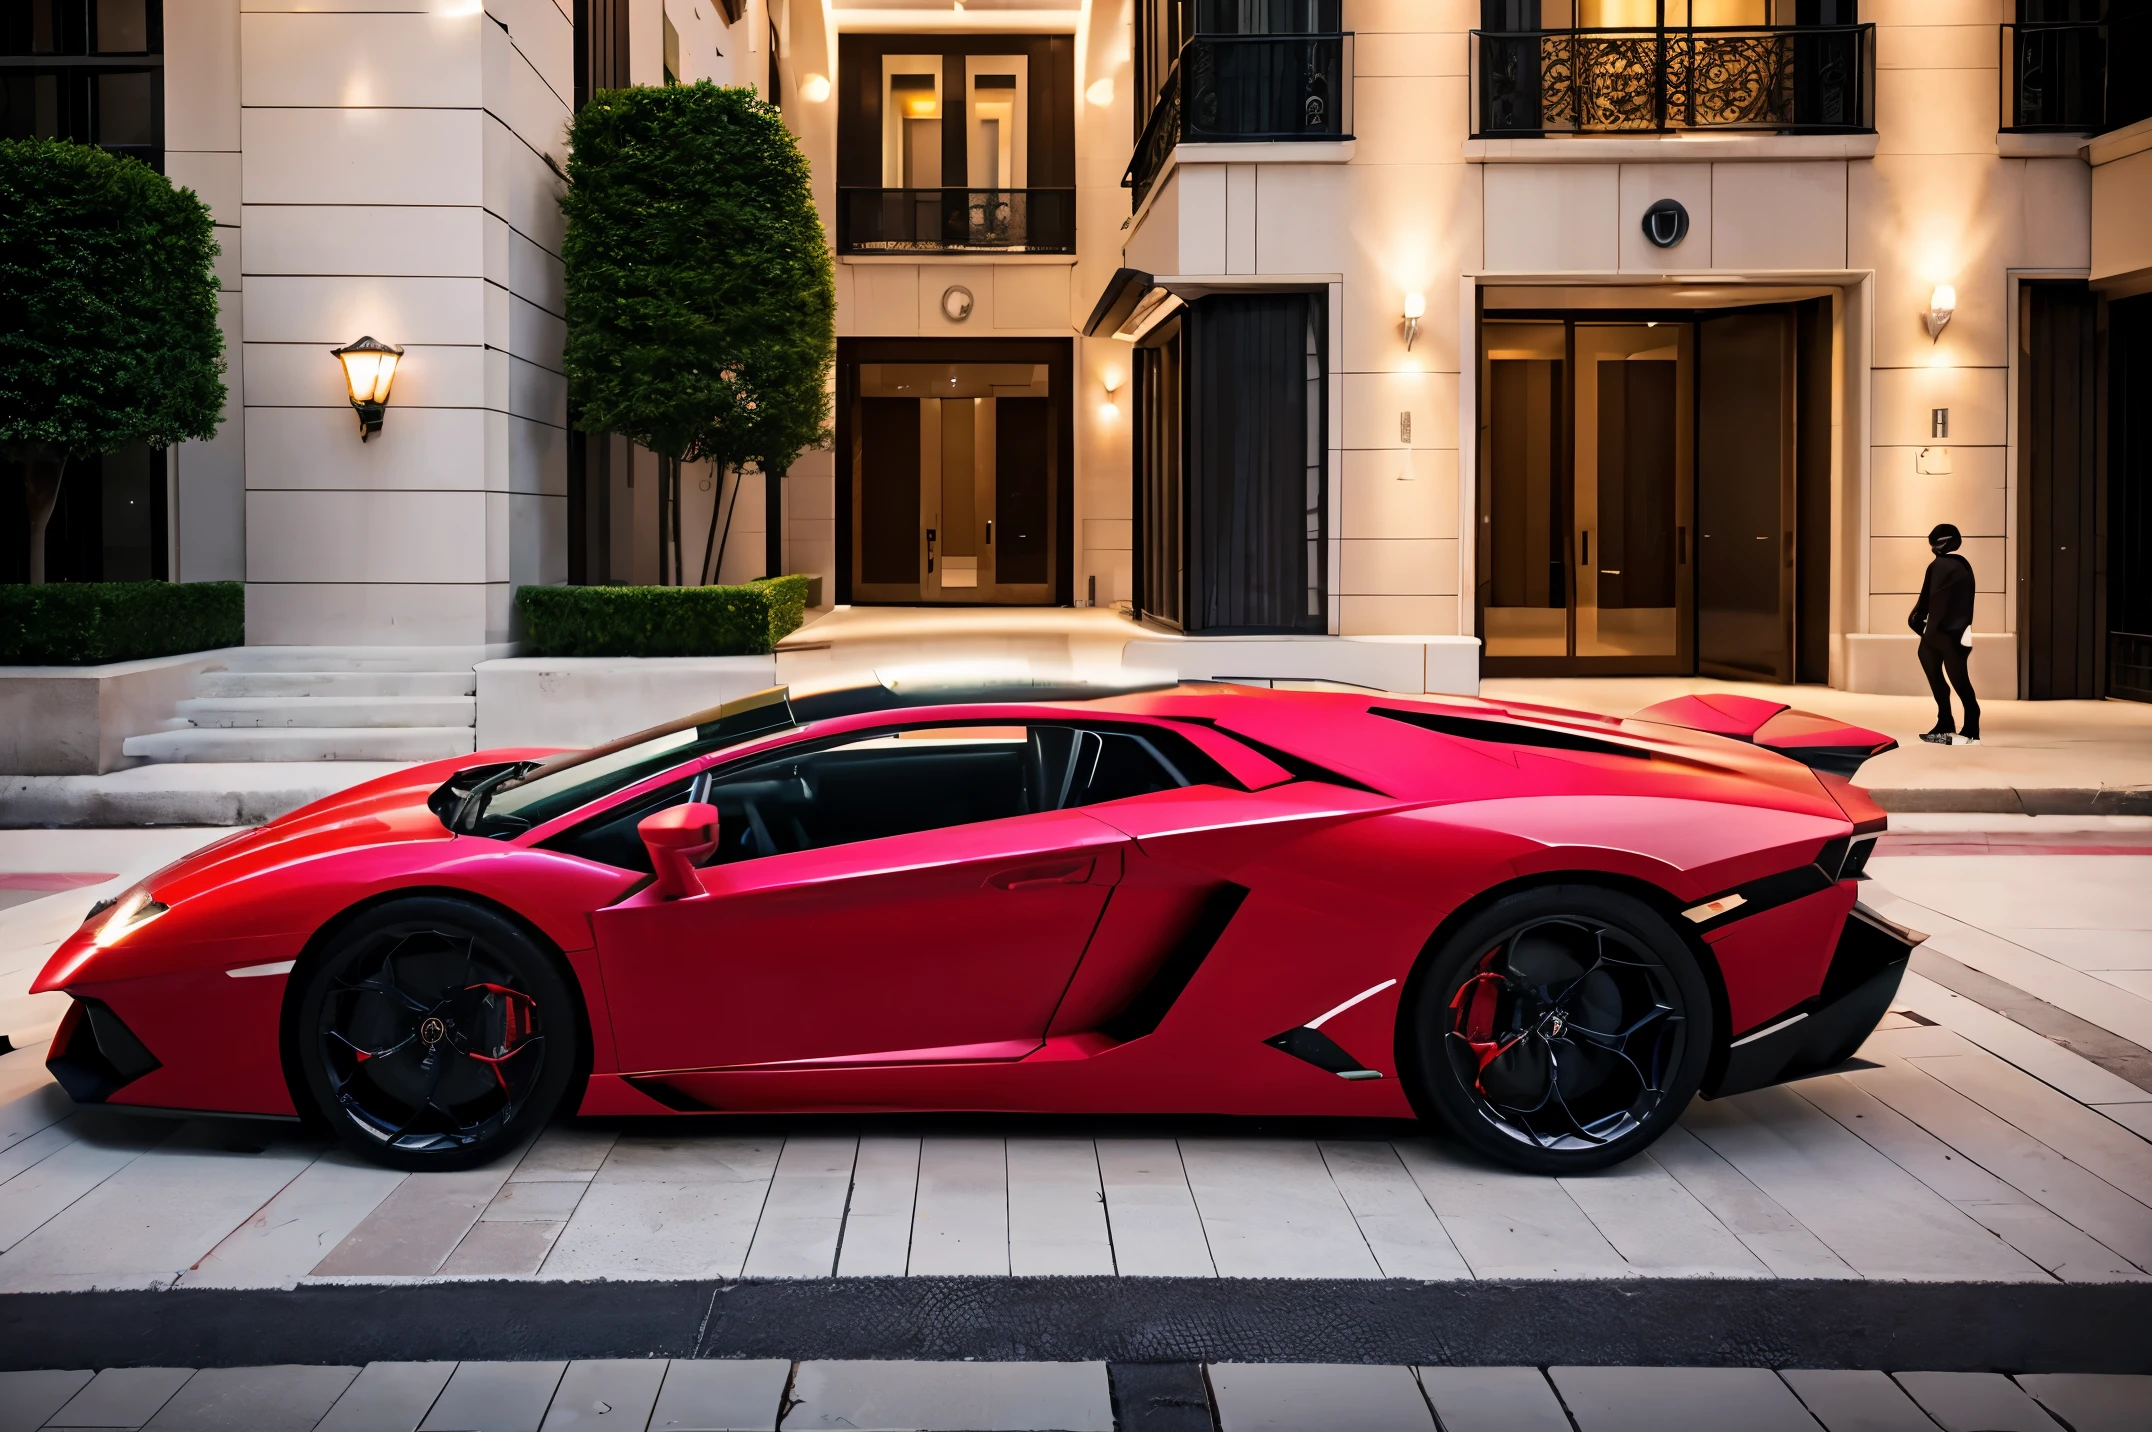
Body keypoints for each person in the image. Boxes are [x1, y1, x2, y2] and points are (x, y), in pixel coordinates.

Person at [1909, 523, 1979, 746]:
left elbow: (1925, 603)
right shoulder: (1962, 567)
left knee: (1947, 678)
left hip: (1939, 634)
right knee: (1958, 679)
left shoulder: (1940, 566)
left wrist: (1919, 624)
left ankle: (1950, 721)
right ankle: (1964, 725)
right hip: (1955, 634)